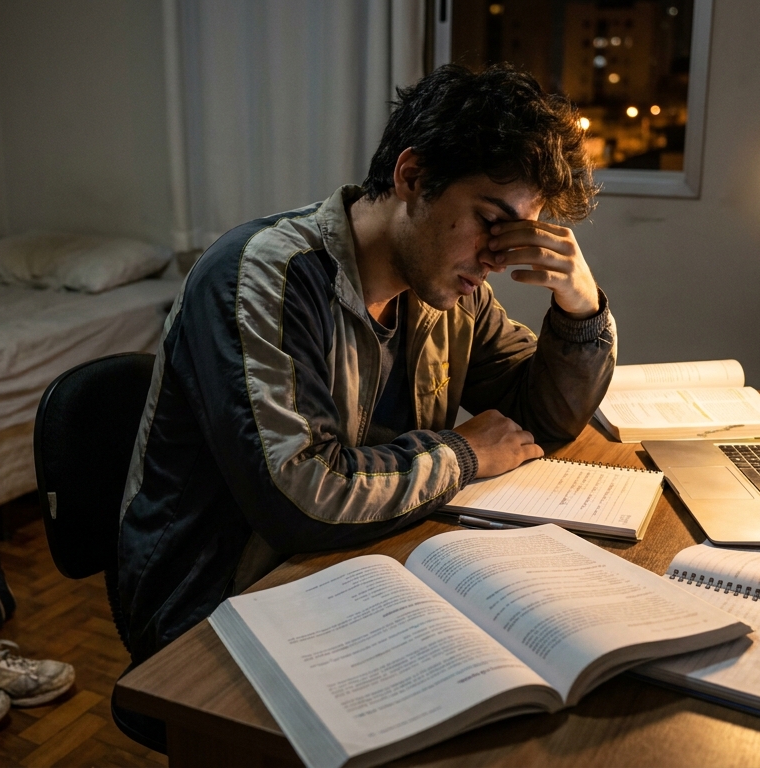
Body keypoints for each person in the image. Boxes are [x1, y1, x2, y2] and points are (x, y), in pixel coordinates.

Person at [115, 64, 616, 669]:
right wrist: (463, 452)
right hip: (215, 607)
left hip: (350, 565)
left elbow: (539, 418)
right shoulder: (264, 277)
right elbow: (303, 497)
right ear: (412, 176)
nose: (497, 258)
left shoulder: (451, 292)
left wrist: (580, 307)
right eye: (490, 221)